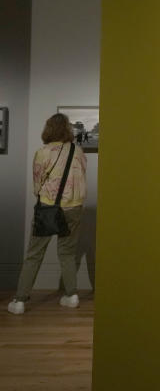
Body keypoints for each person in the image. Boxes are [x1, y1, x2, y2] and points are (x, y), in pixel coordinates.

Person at [8, 114, 88, 314]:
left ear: (48, 129)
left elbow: (37, 187)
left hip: (48, 208)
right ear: (68, 129)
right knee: (68, 254)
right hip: (75, 207)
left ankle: (20, 301)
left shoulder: (43, 152)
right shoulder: (78, 151)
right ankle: (72, 296)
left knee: (34, 255)